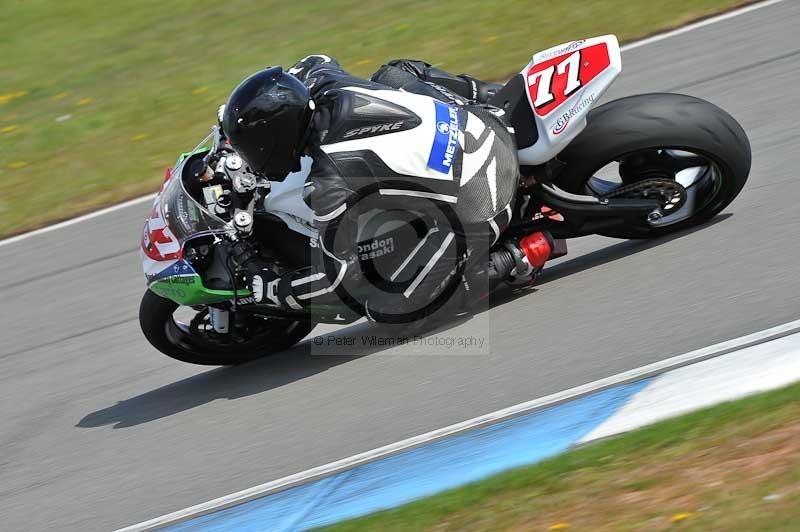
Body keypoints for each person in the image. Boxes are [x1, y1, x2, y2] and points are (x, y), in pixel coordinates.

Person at [221, 55, 551, 324]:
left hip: (486, 188)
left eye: (255, 147)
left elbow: (337, 282)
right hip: (481, 120)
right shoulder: (319, 79)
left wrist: (275, 287)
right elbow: (314, 61)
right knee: (395, 72)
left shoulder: (330, 178)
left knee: (388, 308)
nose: (254, 156)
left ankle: (516, 256)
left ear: (276, 138)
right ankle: (491, 94)